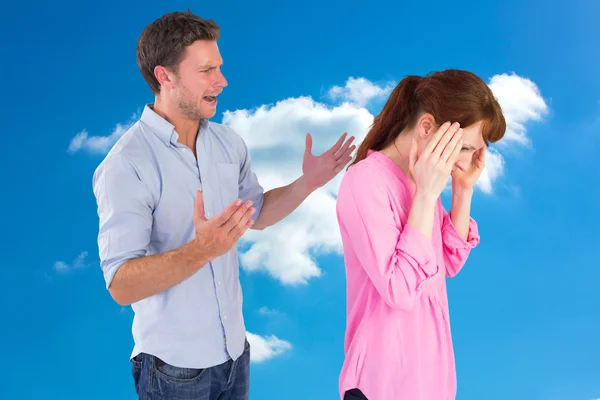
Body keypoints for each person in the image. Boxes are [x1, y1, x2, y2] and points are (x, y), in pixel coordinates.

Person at [92, 10, 355, 400]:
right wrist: (200, 252)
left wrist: (307, 183)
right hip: (174, 372)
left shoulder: (228, 142)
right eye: (207, 70)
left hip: (235, 356)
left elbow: (257, 213)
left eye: (220, 67)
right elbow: (121, 285)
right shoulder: (126, 164)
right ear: (165, 76)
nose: (223, 80)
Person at [335, 69, 506, 400]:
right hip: (381, 385)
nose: (465, 162)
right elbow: (399, 290)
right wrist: (427, 194)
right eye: (465, 148)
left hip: (431, 383)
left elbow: (449, 262)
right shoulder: (365, 182)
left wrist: (462, 190)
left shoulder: (419, 179)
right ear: (427, 127)